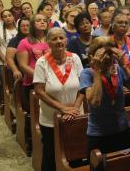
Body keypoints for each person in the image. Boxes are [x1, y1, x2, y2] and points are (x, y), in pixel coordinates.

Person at [79, 37, 130, 159]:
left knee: (122, 166)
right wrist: (97, 71)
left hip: (122, 130)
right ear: (92, 56)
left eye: (110, 53)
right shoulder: (87, 73)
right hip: (98, 134)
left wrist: (124, 66)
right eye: (104, 54)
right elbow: (94, 102)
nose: (108, 58)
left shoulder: (118, 69)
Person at [33, 27, 84, 171]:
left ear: (66, 40)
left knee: (76, 155)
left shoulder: (74, 58)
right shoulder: (42, 63)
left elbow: (83, 87)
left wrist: (74, 108)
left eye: (61, 38)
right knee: (50, 156)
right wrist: (62, 108)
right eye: (54, 39)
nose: (58, 41)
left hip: (75, 116)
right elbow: (39, 91)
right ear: (48, 42)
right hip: (51, 119)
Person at [17, 14, 49, 113]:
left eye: (44, 20)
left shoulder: (52, 39)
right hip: (33, 82)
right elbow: (23, 66)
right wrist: (41, 78)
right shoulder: (24, 42)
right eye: (38, 20)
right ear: (32, 24)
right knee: (37, 113)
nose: (42, 22)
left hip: (54, 80)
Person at [0, 9, 17, 98]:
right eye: (5, 17)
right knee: (7, 86)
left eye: (9, 15)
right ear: (2, 19)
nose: (8, 18)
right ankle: (5, 105)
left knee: (17, 86)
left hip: (16, 63)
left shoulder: (19, 30)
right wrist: (6, 61)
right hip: (3, 63)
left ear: (13, 17)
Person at [5, 17, 31, 82]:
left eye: (28, 25)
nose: (25, 28)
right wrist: (15, 70)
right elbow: (9, 58)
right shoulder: (14, 40)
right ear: (19, 28)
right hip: (20, 71)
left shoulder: (36, 39)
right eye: (22, 26)